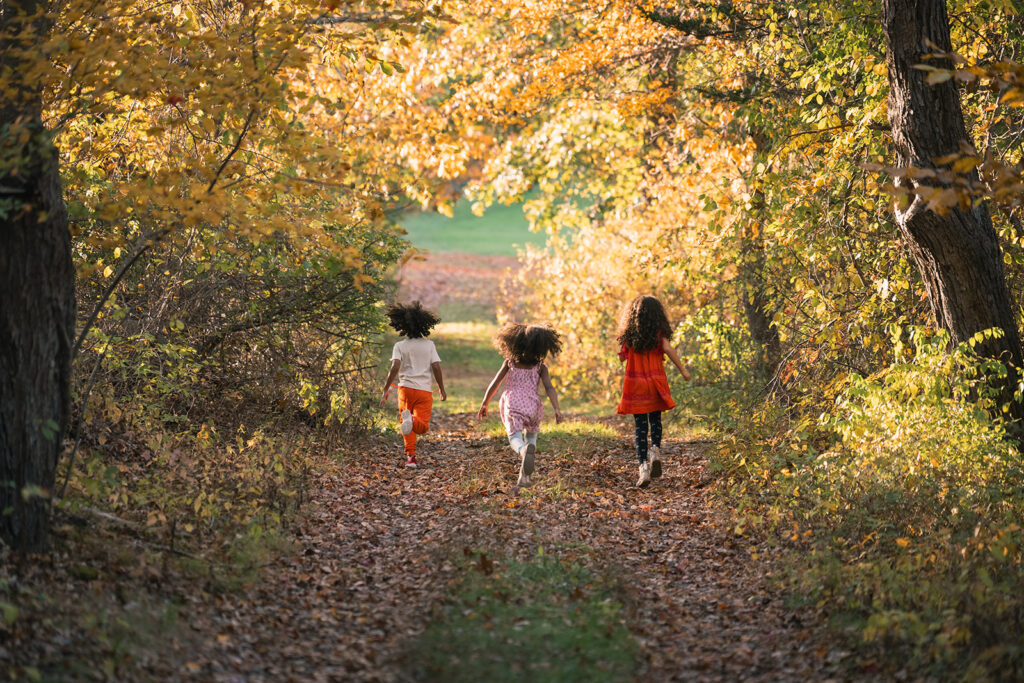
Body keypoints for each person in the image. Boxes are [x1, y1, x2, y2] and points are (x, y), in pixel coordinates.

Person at [615, 295, 691, 488]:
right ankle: (655, 450)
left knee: (640, 429)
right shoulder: (658, 335)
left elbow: (622, 358)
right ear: (658, 316)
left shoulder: (629, 337)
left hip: (635, 385)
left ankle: (643, 469)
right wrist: (683, 370)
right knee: (655, 420)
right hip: (656, 383)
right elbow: (668, 349)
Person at [478, 323, 564, 487]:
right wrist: (557, 409)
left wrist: (485, 403)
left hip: (513, 403)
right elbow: (549, 388)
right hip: (533, 405)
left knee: (515, 438)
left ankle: (522, 450)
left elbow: (495, 383)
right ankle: (524, 478)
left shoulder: (510, 363)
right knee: (531, 437)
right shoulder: (541, 367)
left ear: (515, 343)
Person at [380, 301, 446, 468]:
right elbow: (436, 366)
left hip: (405, 389)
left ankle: (411, 457)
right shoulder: (429, 345)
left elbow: (394, 366)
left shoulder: (399, 346)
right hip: (424, 390)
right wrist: (442, 389)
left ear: (402, 325)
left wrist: (386, 388)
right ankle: (414, 421)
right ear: (424, 324)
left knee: (406, 425)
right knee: (422, 426)